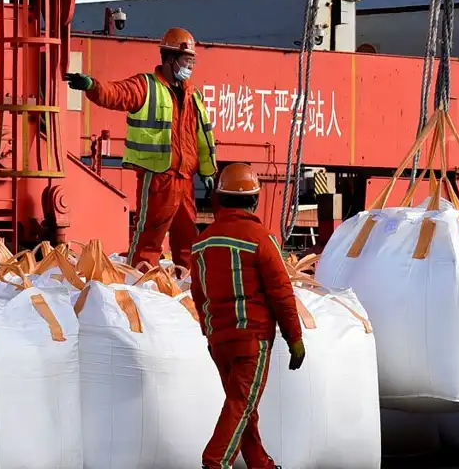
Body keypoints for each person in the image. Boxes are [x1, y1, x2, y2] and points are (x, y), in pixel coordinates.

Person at [65, 27, 217, 271]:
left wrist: (208, 172)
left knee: (188, 237)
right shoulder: (146, 86)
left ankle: (188, 285)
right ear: (169, 59)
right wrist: (92, 86)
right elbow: (116, 94)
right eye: (186, 60)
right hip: (158, 176)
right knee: (149, 236)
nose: (190, 66)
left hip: (184, 178)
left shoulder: (193, 96)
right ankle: (142, 283)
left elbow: (203, 138)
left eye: (191, 61)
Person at [190, 163, 305, 469]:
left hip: (219, 342)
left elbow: (198, 294)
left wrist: (209, 331)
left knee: (242, 406)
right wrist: (294, 338)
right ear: (254, 200)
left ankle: (261, 464)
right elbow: (281, 291)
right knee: (242, 404)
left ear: (220, 198)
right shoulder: (260, 238)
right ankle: (215, 462)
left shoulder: (203, 242)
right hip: (251, 341)